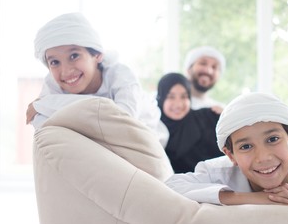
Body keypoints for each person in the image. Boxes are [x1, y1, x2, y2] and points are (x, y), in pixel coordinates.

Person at [26, 12, 164, 142]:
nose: (66, 71)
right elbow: (42, 124)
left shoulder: (121, 75)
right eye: (54, 62)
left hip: (155, 138)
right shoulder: (53, 82)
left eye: (74, 56)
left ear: (97, 55)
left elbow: (123, 121)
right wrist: (48, 105)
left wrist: (47, 104)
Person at [157, 73, 224, 173]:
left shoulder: (209, 116)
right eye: (171, 97)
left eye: (184, 97)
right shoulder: (157, 130)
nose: (178, 104)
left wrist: (226, 114)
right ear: (161, 98)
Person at [183, 46, 226, 110]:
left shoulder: (222, 111)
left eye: (214, 67)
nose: (208, 71)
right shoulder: (169, 107)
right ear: (188, 69)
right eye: (203, 63)